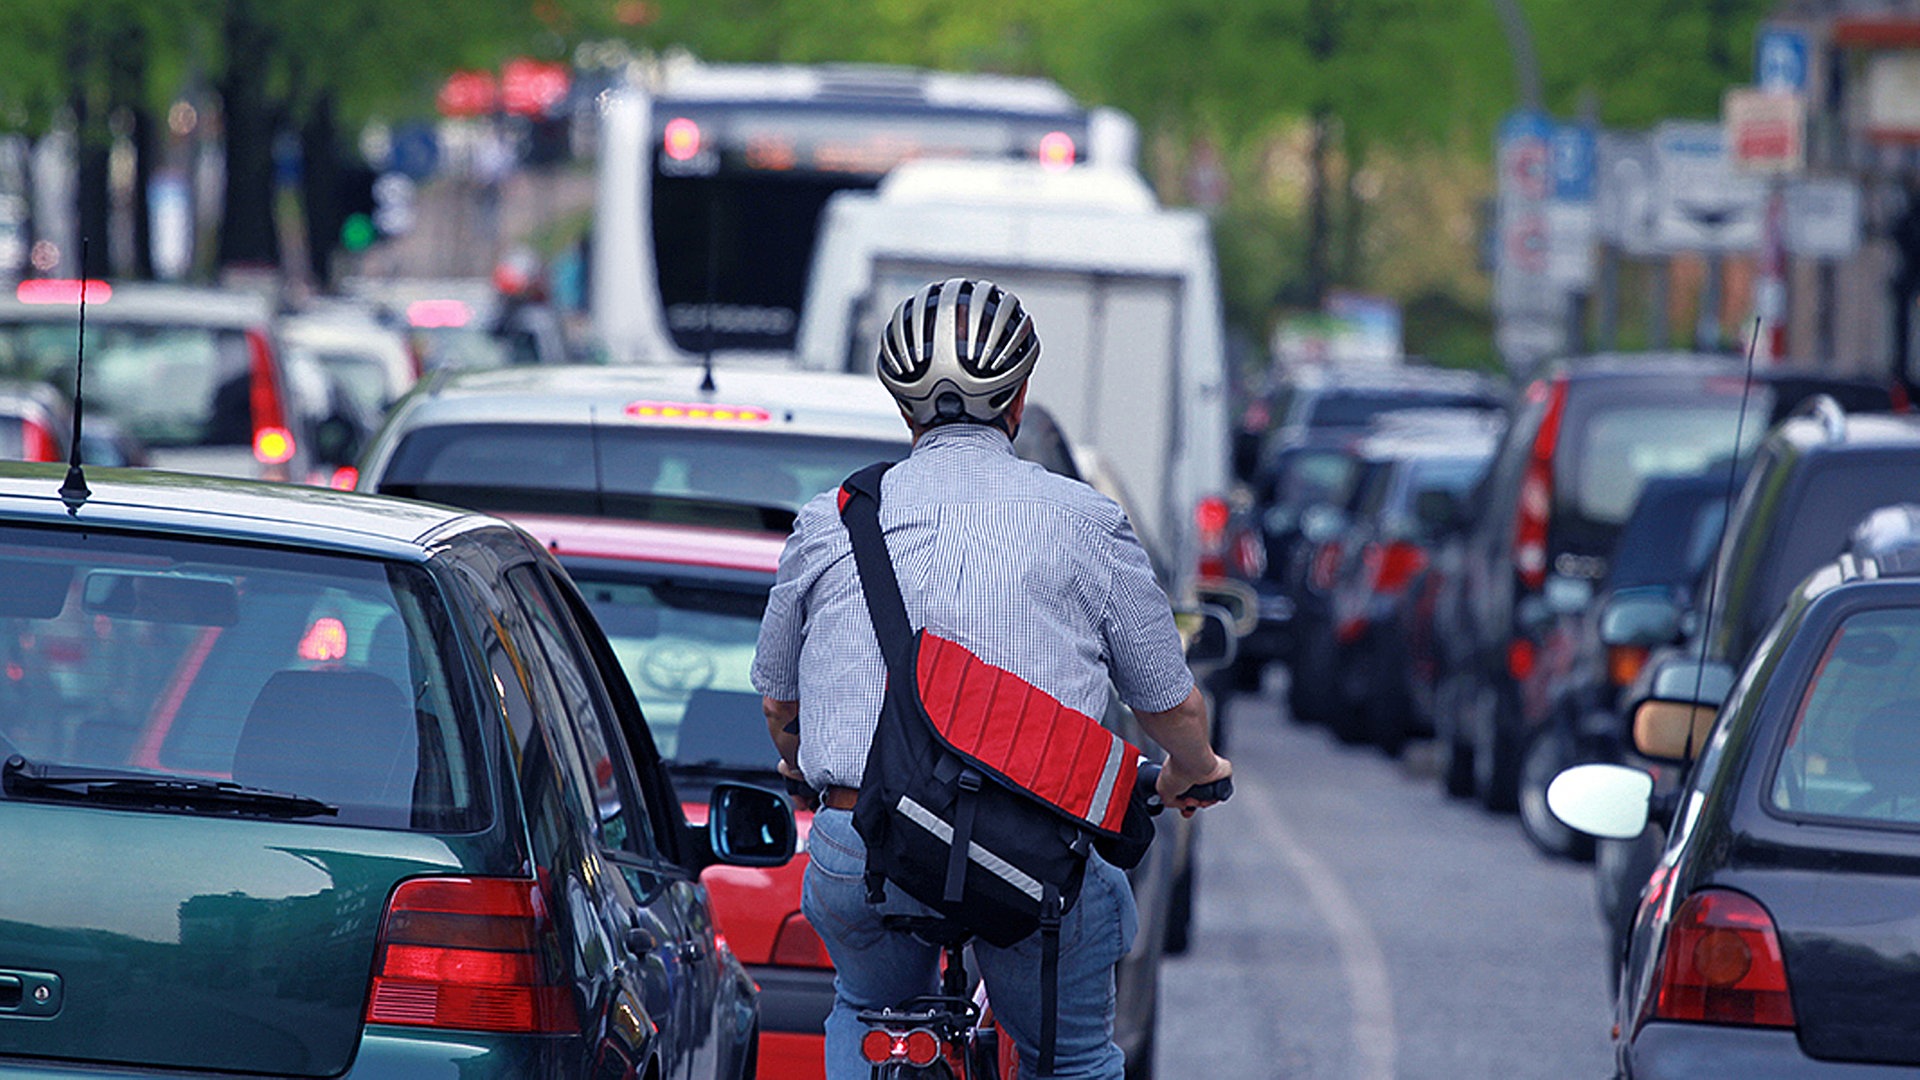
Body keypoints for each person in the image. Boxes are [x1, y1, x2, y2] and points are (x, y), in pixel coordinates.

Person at [751, 277, 1232, 1079]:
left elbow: (778, 700)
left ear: (902, 410)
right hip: (1032, 861)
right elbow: (1171, 703)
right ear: (1019, 400)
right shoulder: (1085, 520)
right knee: (1069, 1057)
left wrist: (804, 764)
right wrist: (1196, 768)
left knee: (867, 1012)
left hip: (863, 843)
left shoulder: (830, 520)